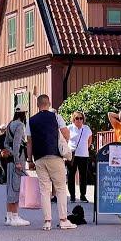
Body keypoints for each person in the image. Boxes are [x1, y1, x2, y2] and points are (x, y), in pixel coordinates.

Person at [26, 95, 77, 230]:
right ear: (49, 103)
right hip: (55, 156)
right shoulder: (56, 117)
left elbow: (29, 142)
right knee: (60, 188)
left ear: (37, 105)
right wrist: (63, 143)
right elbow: (66, 133)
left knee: (44, 190)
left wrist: (29, 160)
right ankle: (63, 220)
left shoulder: (31, 121)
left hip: (39, 158)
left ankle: (47, 222)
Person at [2, 105, 30, 226]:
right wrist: (18, 161)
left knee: (10, 187)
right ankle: (15, 216)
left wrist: (11, 153)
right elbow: (17, 144)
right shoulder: (20, 125)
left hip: (9, 160)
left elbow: (5, 143)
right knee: (16, 187)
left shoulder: (10, 124)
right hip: (17, 159)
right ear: (24, 113)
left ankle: (9, 216)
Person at [67, 111, 93, 203]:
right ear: (73, 119)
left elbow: (90, 138)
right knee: (71, 175)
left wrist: (86, 147)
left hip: (83, 154)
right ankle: (72, 196)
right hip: (72, 155)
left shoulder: (86, 128)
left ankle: (83, 195)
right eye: (76, 118)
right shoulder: (69, 128)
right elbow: (65, 139)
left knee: (83, 176)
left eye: (81, 118)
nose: (79, 120)